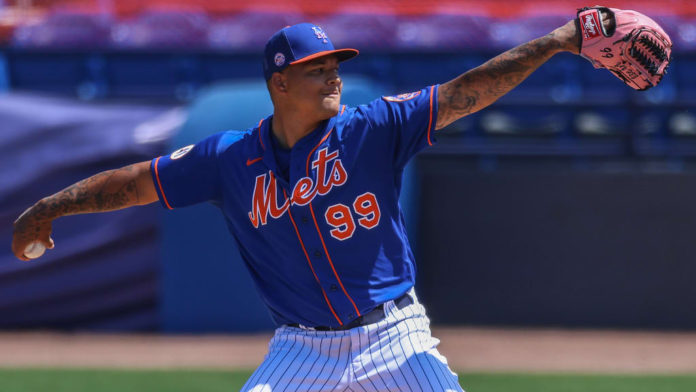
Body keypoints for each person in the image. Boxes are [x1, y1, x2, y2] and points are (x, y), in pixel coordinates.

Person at [14, 17, 586, 391]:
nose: (333, 77)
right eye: (318, 70)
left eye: (336, 67)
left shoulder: (374, 128)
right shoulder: (229, 159)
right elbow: (136, 182)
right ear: (280, 83)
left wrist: (559, 41)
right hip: (303, 347)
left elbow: (470, 90)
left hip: (395, 334)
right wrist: (49, 209)